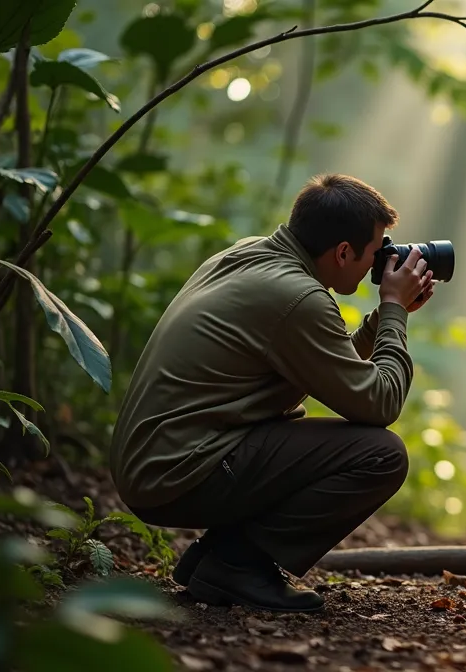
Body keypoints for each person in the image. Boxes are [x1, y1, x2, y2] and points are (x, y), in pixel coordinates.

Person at [108, 173, 437, 613]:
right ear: (342, 252)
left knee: (325, 440)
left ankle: (217, 556)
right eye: (376, 255)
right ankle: (238, 564)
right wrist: (396, 311)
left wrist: (382, 318)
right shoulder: (298, 297)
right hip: (177, 472)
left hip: (158, 461)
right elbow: (380, 402)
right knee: (381, 454)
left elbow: (321, 360)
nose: (379, 267)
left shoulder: (248, 256)